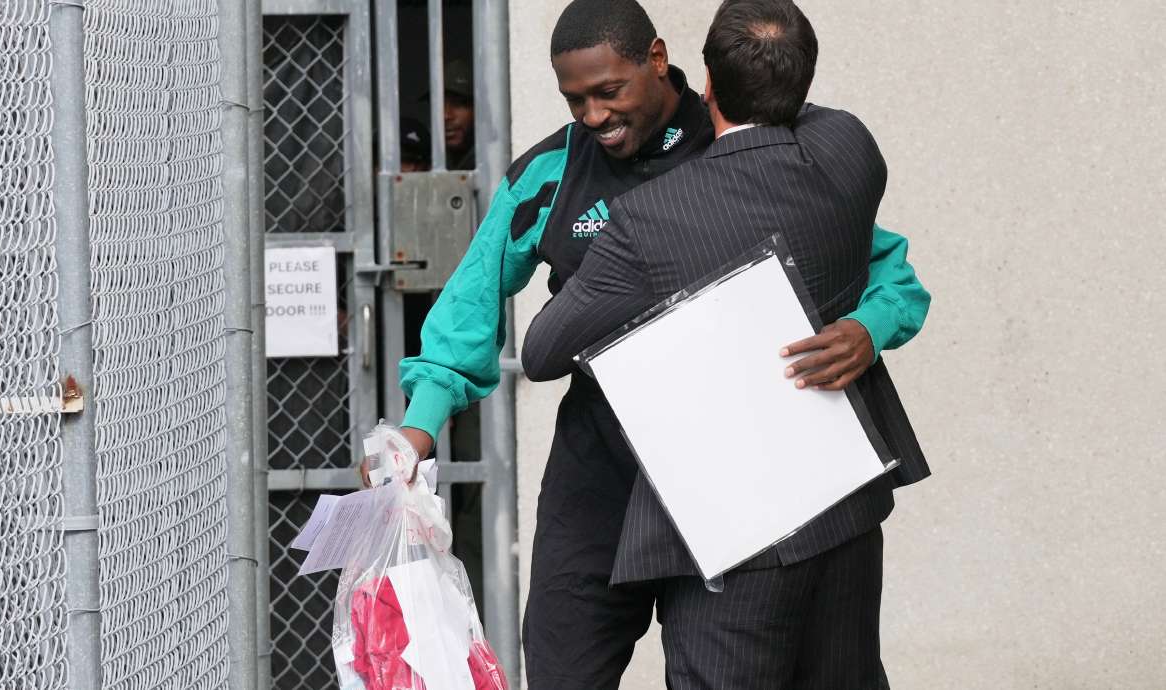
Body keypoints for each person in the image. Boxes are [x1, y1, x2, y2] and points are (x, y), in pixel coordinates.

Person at [386, 0, 930, 686]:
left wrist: (867, 329)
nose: (593, 116)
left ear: (656, 58)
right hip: (603, 466)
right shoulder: (552, 172)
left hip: (727, 473)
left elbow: (885, 271)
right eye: (574, 98)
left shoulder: (744, 138)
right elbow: (474, 297)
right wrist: (420, 426)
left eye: (608, 91)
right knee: (561, 667)